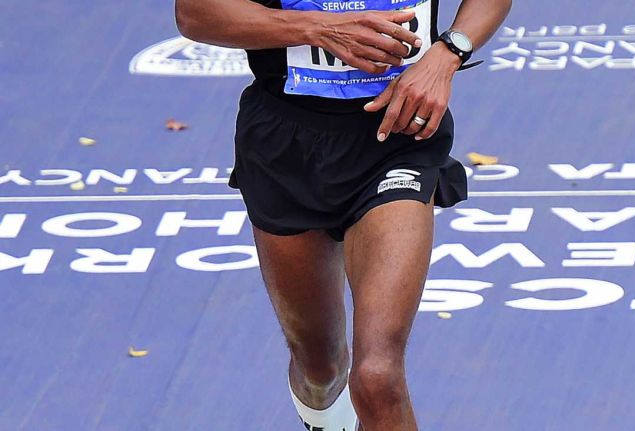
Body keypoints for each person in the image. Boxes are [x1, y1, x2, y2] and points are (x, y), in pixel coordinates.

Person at [174, 0, 511, 428]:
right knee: (320, 368)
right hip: (284, 145)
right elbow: (196, 14)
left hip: (397, 138)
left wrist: (447, 54)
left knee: (377, 376)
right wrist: (319, 28)